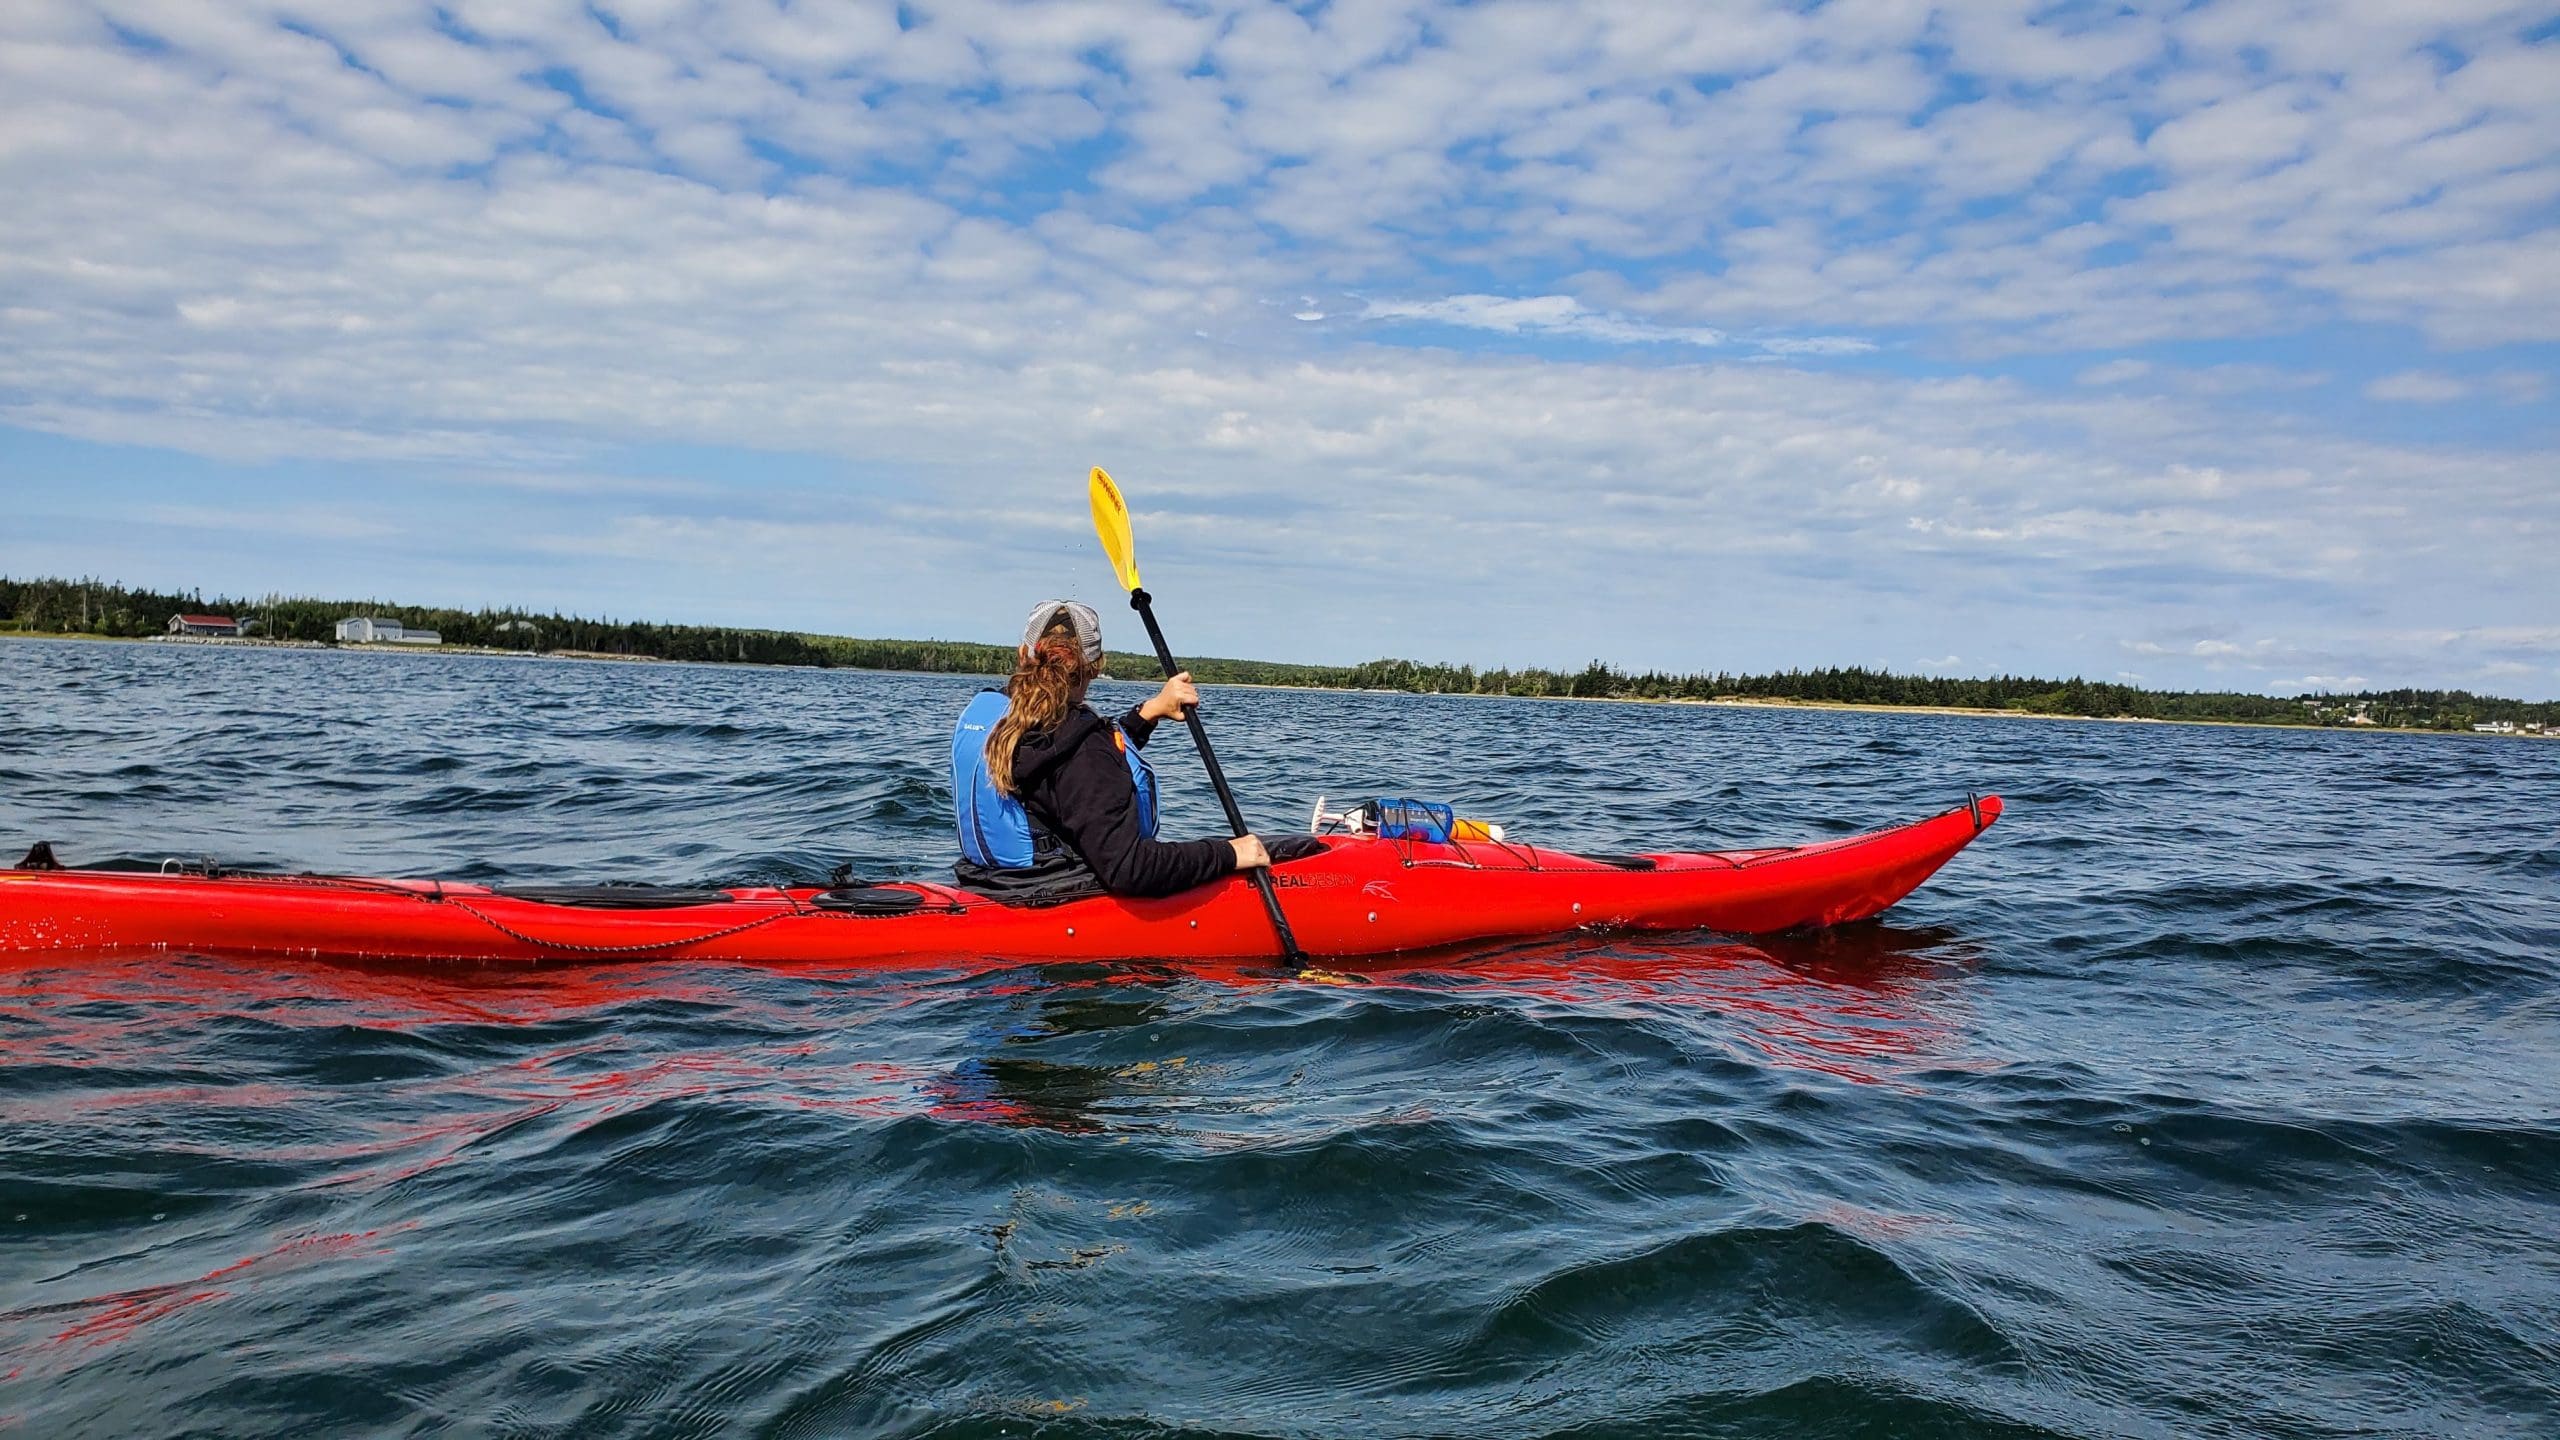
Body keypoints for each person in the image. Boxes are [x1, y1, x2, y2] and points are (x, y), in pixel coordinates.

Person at [951, 600, 1313, 901]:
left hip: (993, 885)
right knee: (1296, 849)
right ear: (1096, 665)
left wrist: (1149, 712)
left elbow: (1068, 764)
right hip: (1056, 896)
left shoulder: (995, 717)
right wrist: (1229, 853)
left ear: (1023, 654)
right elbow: (1131, 870)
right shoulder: (1082, 750)